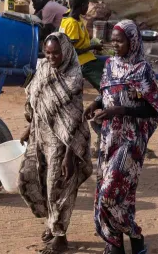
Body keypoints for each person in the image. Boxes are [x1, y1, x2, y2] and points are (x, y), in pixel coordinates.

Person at [85, 20, 158, 254]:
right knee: (121, 196)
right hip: (109, 138)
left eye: (120, 41)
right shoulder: (109, 65)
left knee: (109, 195)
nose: (114, 45)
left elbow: (153, 109)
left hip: (131, 141)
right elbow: (107, 92)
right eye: (113, 40)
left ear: (133, 41)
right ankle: (117, 244)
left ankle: (135, 234)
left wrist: (120, 110)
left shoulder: (142, 69)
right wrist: (95, 103)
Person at [19, 33, 93, 254]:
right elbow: (37, 101)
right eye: (48, 52)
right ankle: (52, 224)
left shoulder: (73, 78)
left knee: (57, 188)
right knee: (29, 179)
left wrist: (70, 156)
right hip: (39, 136)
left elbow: (75, 119)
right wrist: (28, 129)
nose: (51, 57)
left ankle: (60, 237)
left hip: (62, 143)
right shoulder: (43, 68)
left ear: (66, 52)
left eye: (56, 53)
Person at [60, 0, 103, 90]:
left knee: (108, 62)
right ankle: (106, 95)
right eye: (87, 5)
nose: (88, 8)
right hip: (81, 62)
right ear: (83, 5)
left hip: (86, 57)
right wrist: (93, 46)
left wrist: (93, 41)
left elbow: (80, 39)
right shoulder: (72, 24)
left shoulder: (71, 16)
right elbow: (71, 51)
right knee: (103, 80)